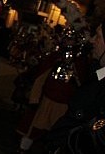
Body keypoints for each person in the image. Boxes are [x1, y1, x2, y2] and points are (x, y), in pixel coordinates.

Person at [44, 20, 105, 153]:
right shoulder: (99, 72)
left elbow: (96, 138)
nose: (93, 41)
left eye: (98, 36)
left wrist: (66, 142)